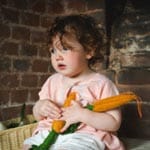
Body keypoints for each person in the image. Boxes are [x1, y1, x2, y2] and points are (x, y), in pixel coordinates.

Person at [23, 14, 125, 150]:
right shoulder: (52, 81)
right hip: (48, 132)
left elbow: (113, 123)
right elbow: (37, 116)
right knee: (27, 146)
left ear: (88, 51)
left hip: (84, 136)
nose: (57, 57)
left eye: (65, 49)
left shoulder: (102, 84)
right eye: (53, 51)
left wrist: (83, 115)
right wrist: (40, 107)